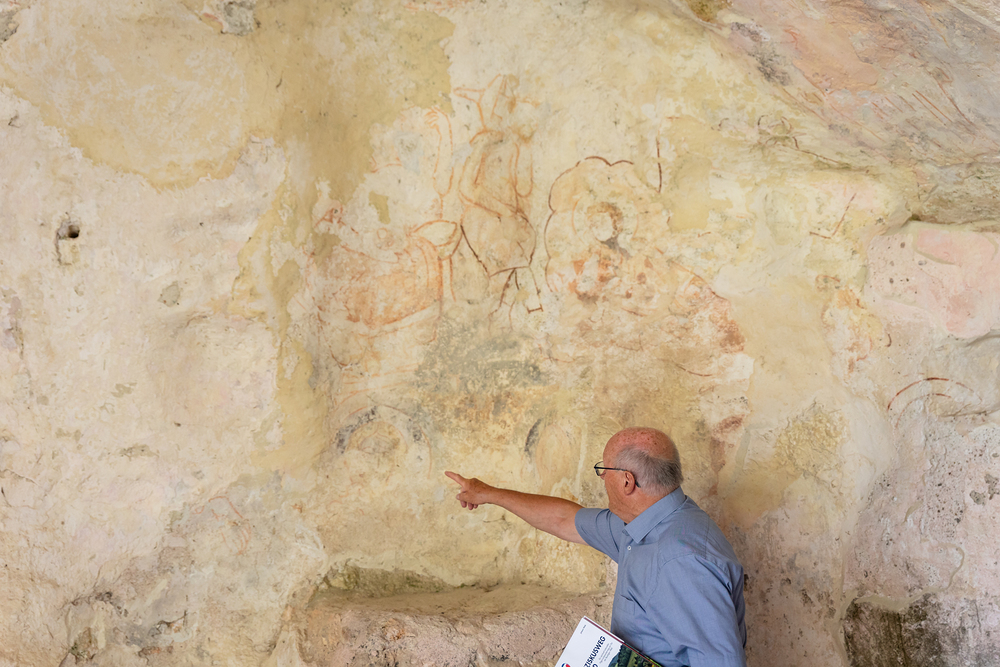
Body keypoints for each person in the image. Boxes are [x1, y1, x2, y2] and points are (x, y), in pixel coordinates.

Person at [445, 427, 746, 667]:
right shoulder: (642, 524)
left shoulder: (679, 560)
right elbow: (563, 519)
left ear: (627, 482)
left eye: (603, 470)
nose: (602, 478)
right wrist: (488, 493)